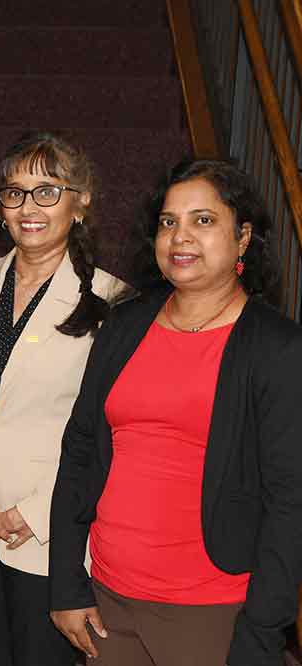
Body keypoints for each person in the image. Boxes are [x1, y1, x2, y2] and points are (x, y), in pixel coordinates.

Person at [49, 159, 302, 666]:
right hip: (108, 601)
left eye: (203, 220)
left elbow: (289, 502)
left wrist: (261, 632)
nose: (181, 237)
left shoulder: (276, 348)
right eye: (169, 222)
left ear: (244, 236)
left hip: (211, 612)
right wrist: (66, 584)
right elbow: (79, 452)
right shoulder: (123, 324)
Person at [0, 132, 125, 666]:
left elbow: (109, 429)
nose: (29, 208)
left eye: (47, 191)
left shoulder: (113, 301)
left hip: (52, 532)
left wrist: (34, 510)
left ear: (81, 201)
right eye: (15, 192)